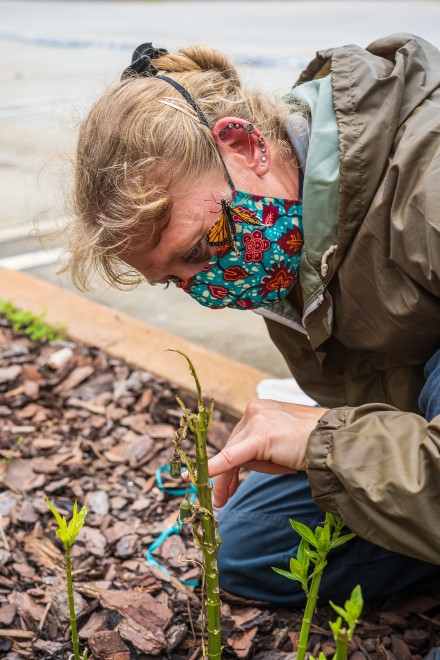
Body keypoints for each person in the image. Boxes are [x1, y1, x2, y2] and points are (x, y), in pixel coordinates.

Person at [64, 34, 440, 606]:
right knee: (248, 547)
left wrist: (322, 441)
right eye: (176, 280)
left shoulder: (427, 190)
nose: (210, 286)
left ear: (244, 145)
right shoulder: (278, 237)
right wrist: (321, 436)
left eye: (199, 249)